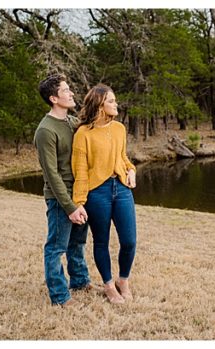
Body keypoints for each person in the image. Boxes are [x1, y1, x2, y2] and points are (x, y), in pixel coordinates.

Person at [69, 84, 138, 304]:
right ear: (99, 104)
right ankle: (109, 286)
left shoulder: (119, 129)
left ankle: (123, 280)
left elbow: (123, 158)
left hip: (121, 189)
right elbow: (79, 171)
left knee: (129, 241)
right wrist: (78, 202)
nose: (115, 104)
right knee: (101, 241)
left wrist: (132, 171)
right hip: (97, 192)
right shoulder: (83, 134)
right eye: (111, 101)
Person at [34, 73, 92, 307]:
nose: (71, 93)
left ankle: (79, 281)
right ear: (53, 98)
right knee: (56, 247)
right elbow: (51, 173)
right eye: (66, 90)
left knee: (77, 243)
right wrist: (69, 206)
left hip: (80, 192)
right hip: (61, 198)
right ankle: (59, 296)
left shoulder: (71, 122)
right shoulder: (45, 131)